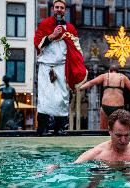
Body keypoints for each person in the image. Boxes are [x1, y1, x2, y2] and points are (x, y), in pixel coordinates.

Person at [34, 0, 87, 136]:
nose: (59, 9)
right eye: (57, 7)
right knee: (45, 98)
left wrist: (78, 63)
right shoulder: (45, 24)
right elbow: (38, 43)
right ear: (53, 9)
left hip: (62, 67)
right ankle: (43, 128)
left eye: (62, 8)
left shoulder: (70, 28)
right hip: (46, 67)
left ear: (65, 10)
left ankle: (60, 128)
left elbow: (76, 47)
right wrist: (52, 36)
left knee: (62, 98)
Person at [80, 65, 130, 129]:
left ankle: (104, 137)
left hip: (106, 106)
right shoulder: (123, 77)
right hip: (118, 107)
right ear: (118, 72)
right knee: (117, 128)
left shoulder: (105, 76)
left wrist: (80, 88)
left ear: (109, 71)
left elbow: (91, 82)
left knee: (103, 129)